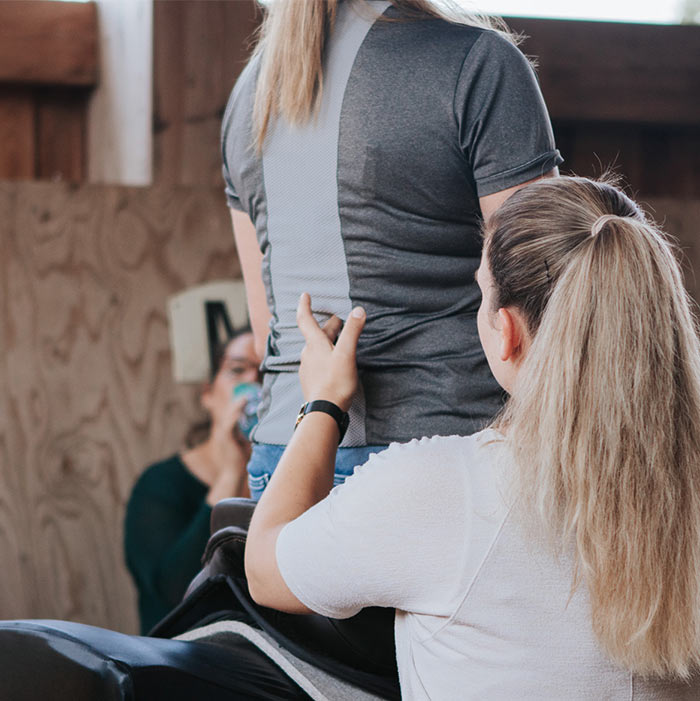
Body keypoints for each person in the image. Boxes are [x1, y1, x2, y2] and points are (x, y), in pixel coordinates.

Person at [246, 176, 700, 699]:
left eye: (482, 292)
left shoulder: (442, 492)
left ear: (505, 331)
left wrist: (323, 403)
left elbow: (263, 568)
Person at [222, 0, 563, 497]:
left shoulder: (250, 94)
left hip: (285, 457)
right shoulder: (477, 63)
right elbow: (546, 312)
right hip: (450, 452)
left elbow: (262, 333)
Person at [124, 329, 260, 633]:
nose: (253, 383)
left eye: (266, 373)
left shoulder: (283, 479)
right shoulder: (160, 484)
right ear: (208, 394)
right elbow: (176, 593)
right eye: (237, 370)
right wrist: (230, 473)